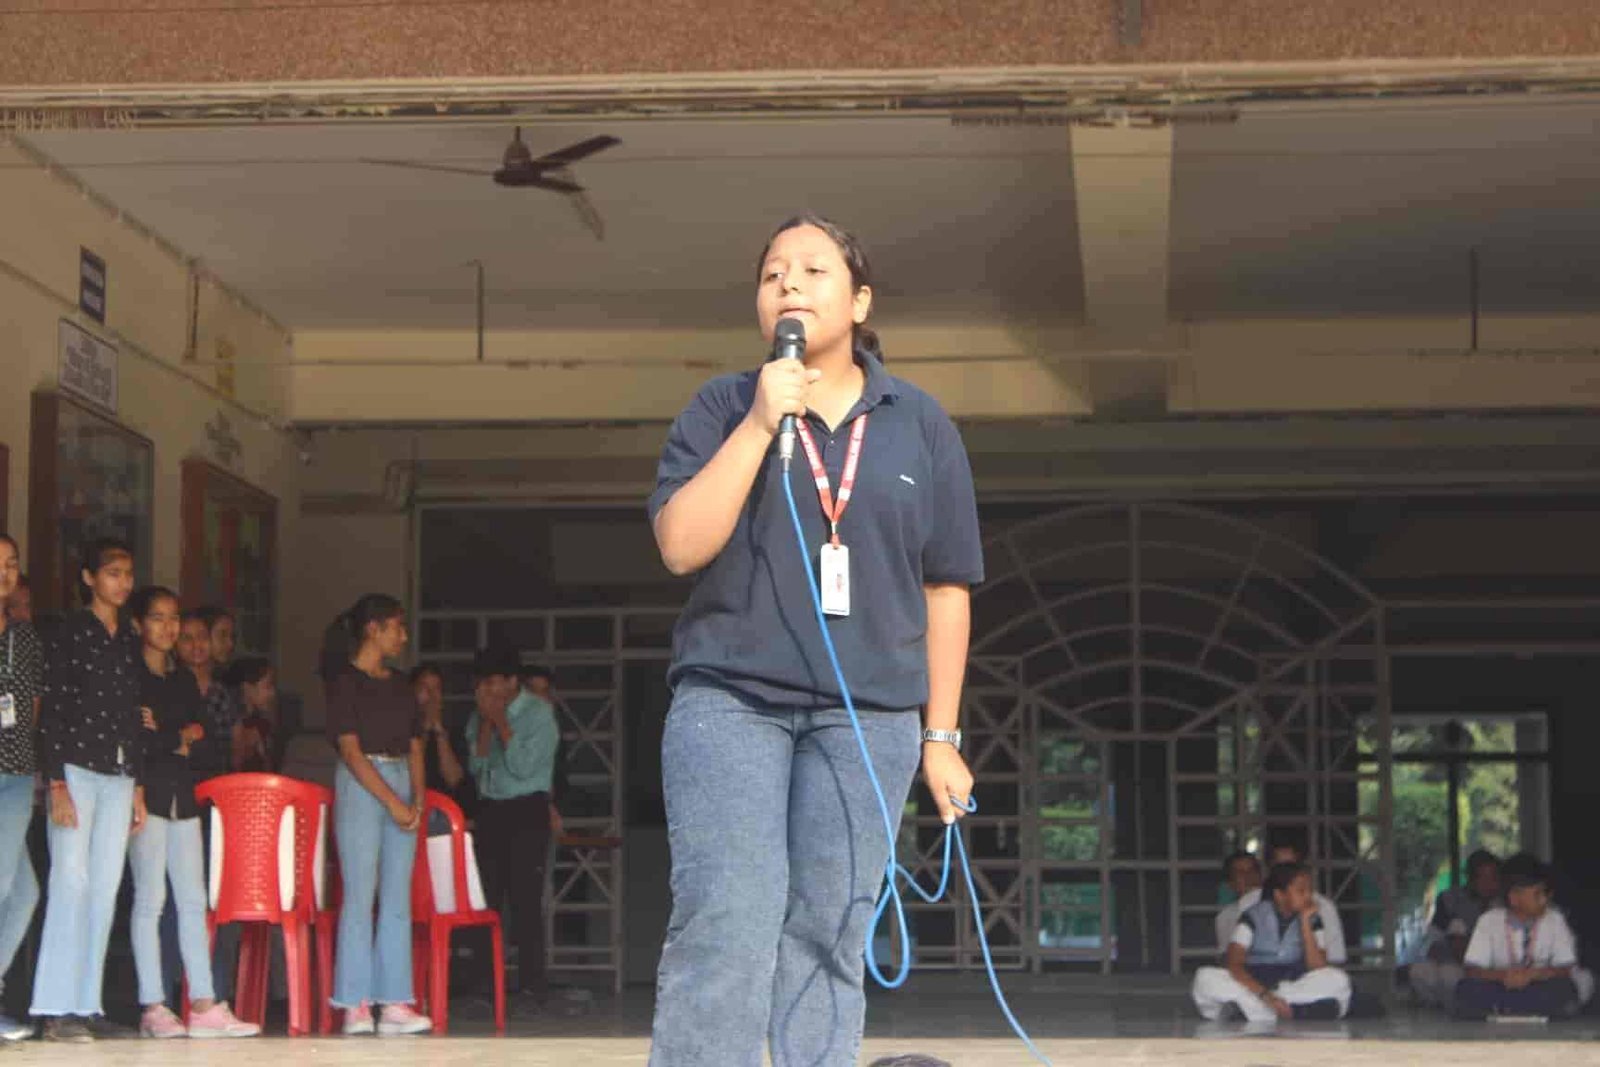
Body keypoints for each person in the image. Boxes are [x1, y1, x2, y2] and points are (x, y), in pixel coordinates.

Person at [645, 215, 984, 1066]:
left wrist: (941, 735)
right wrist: (762, 423)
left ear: (860, 300)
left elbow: (946, 586)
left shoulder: (920, 423)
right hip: (731, 704)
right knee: (728, 918)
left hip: (868, 716)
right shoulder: (723, 406)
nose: (788, 284)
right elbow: (680, 544)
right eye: (771, 274)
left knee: (831, 929)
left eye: (811, 269)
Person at [30, 538, 149, 1043]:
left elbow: (133, 711)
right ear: (88, 578)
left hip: (118, 775)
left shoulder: (129, 639)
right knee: (70, 883)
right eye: (112, 573)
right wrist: (55, 781)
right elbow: (52, 710)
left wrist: (138, 784)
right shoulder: (69, 632)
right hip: (75, 771)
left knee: (104, 888)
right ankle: (54, 1007)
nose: (122, 582)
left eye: (127, 574)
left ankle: (87, 1001)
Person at [127, 586, 258, 1039]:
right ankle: (153, 1005)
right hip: (147, 795)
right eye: (158, 617)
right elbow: (139, 738)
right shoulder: (131, 676)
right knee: (150, 900)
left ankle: (203, 1002)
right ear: (138, 624)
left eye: (173, 618)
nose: (168, 627)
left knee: (193, 900)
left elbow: (204, 739)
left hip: (183, 795)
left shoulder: (183, 679)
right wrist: (177, 736)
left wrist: (170, 734)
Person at [323, 594, 432, 1036]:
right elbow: (350, 752)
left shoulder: (402, 685)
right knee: (359, 894)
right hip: (362, 785)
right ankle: (355, 1003)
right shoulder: (344, 682)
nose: (403, 636)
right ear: (373, 629)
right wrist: (393, 801)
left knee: (396, 896)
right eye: (397, 627)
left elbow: (416, 746)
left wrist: (417, 799)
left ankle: (395, 1002)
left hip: (401, 780)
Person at [467, 646, 559, 1002]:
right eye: (481, 684)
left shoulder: (539, 714)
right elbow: (477, 767)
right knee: (486, 896)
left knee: (525, 898)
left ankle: (532, 983)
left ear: (511, 681)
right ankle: (484, 981)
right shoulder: (480, 714)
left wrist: (502, 723)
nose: (487, 691)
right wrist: (486, 723)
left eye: (493, 682)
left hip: (526, 809)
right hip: (491, 809)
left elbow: (522, 767)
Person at [1192, 862, 1353, 1023]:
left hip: (1291, 985)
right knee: (1204, 978)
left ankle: (1254, 1011)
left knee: (1338, 980)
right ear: (1280, 895)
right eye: (1301, 891)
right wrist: (1264, 995)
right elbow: (1234, 963)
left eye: (1309, 891)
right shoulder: (1253, 916)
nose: (1308, 897)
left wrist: (1305, 922)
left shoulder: (1314, 920)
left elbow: (1317, 968)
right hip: (1254, 984)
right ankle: (1290, 1011)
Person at [1454, 853, 1592, 1019]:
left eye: (1545, 894)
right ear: (1514, 898)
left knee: (1565, 987)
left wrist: (1532, 975)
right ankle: (1526, 1008)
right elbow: (1473, 970)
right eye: (1537, 894)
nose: (1544, 900)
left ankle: (1506, 1008)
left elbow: (1565, 969)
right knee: (1466, 988)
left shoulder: (1555, 919)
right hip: (1502, 985)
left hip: (1539, 985)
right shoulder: (1489, 920)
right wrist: (1504, 976)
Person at [0, 536, 43, 1042]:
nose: (6, 573)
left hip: (15, 773)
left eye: (12, 564)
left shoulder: (26, 638)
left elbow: (31, 708)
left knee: (23, 892)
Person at [1225, 839, 1349, 965]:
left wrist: (1306, 922)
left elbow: (1334, 960)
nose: (1287, 873)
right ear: (1268, 870)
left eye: (1292, 867)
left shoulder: (1323, 907)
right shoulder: (1249, 905)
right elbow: (1234, 959)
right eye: (1280, 868)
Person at [1411, 850, 1501, 1009]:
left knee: (1451, 976)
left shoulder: (1505, 903)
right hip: (1450, 961)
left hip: (1490, 969)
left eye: (1493, 877)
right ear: (1471, 878)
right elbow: (1433, 942)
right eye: (1483, 877)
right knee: (1422, 971)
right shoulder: (1450, 899)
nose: (1488, 884)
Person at [412, 664, 475, 822]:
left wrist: (438, 730)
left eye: (437, 689)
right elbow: (411, 773)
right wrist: (425, 728)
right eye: (425, 688)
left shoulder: (455, 731)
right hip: (413, 811)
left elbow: (453, 778)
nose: (432, 696)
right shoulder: (403, 729)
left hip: (446, 814)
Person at [227, 657, 298, 774]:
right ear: (247, 688)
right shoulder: (234, 723)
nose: (272, 693)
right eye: (268, 686)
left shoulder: (262, 722)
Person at [1215, 851, 1264, 955]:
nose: (1248, 876)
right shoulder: (1226, 916)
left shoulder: (1277, 905)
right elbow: (1225, 955)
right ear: (1230, 883)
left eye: (1252, 870)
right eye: (1240, 872)